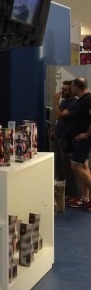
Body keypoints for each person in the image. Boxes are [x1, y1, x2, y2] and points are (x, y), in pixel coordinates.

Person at [54, 77, 91, 210]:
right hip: (78, 140)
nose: (70, 89)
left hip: (82, 140)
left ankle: (86, 198)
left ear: (75, 87)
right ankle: (85, 198)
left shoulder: (87, 100)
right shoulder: (82, 100)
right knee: (83, 166)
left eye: (71, 87)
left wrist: (86, 134)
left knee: (75, 166)